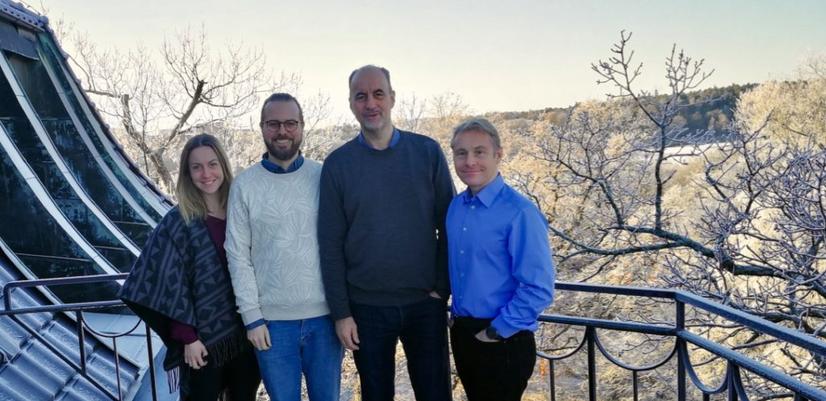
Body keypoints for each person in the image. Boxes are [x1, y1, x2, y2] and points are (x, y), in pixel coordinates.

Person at [318, 65, 455, 401]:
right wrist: (341, 313)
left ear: (392, 98)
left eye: (378, 93)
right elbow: (330, 245)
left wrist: (443, 288)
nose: (370, 103)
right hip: (366, 309)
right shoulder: (338, 165)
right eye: (361, 96)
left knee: (435, 394)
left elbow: (450, 225)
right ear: (351, 103)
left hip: (425, 304)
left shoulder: (426, 153)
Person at [119, 134, 261, 401]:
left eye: (212, 164)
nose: (206, 173)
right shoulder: (178, 221)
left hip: (248, 334)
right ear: (187, 173)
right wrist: (187, 338)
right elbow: (166, 283)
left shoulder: (242, 212)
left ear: (223, 167)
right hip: (201, 342)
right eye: (196, 167)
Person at [225, 93, 343, 401]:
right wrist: (252, 317)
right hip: (272, 325)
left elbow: (343, 243)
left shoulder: (323, 177)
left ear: (302, 126)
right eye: (273, 123)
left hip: (326, 321)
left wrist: (345, 311)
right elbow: (238, 255)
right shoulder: (245, 185)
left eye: (290, 123)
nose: (282, 131)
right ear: (262, 127)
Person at [446, 118, 555, 401]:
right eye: (461, 153)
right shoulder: (456, 207)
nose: (469, 161)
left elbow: (538, 288)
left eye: (479, 151)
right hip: (463, 334)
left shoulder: (519, 213)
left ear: (498, 154)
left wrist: (495, 332)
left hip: (503, 338)